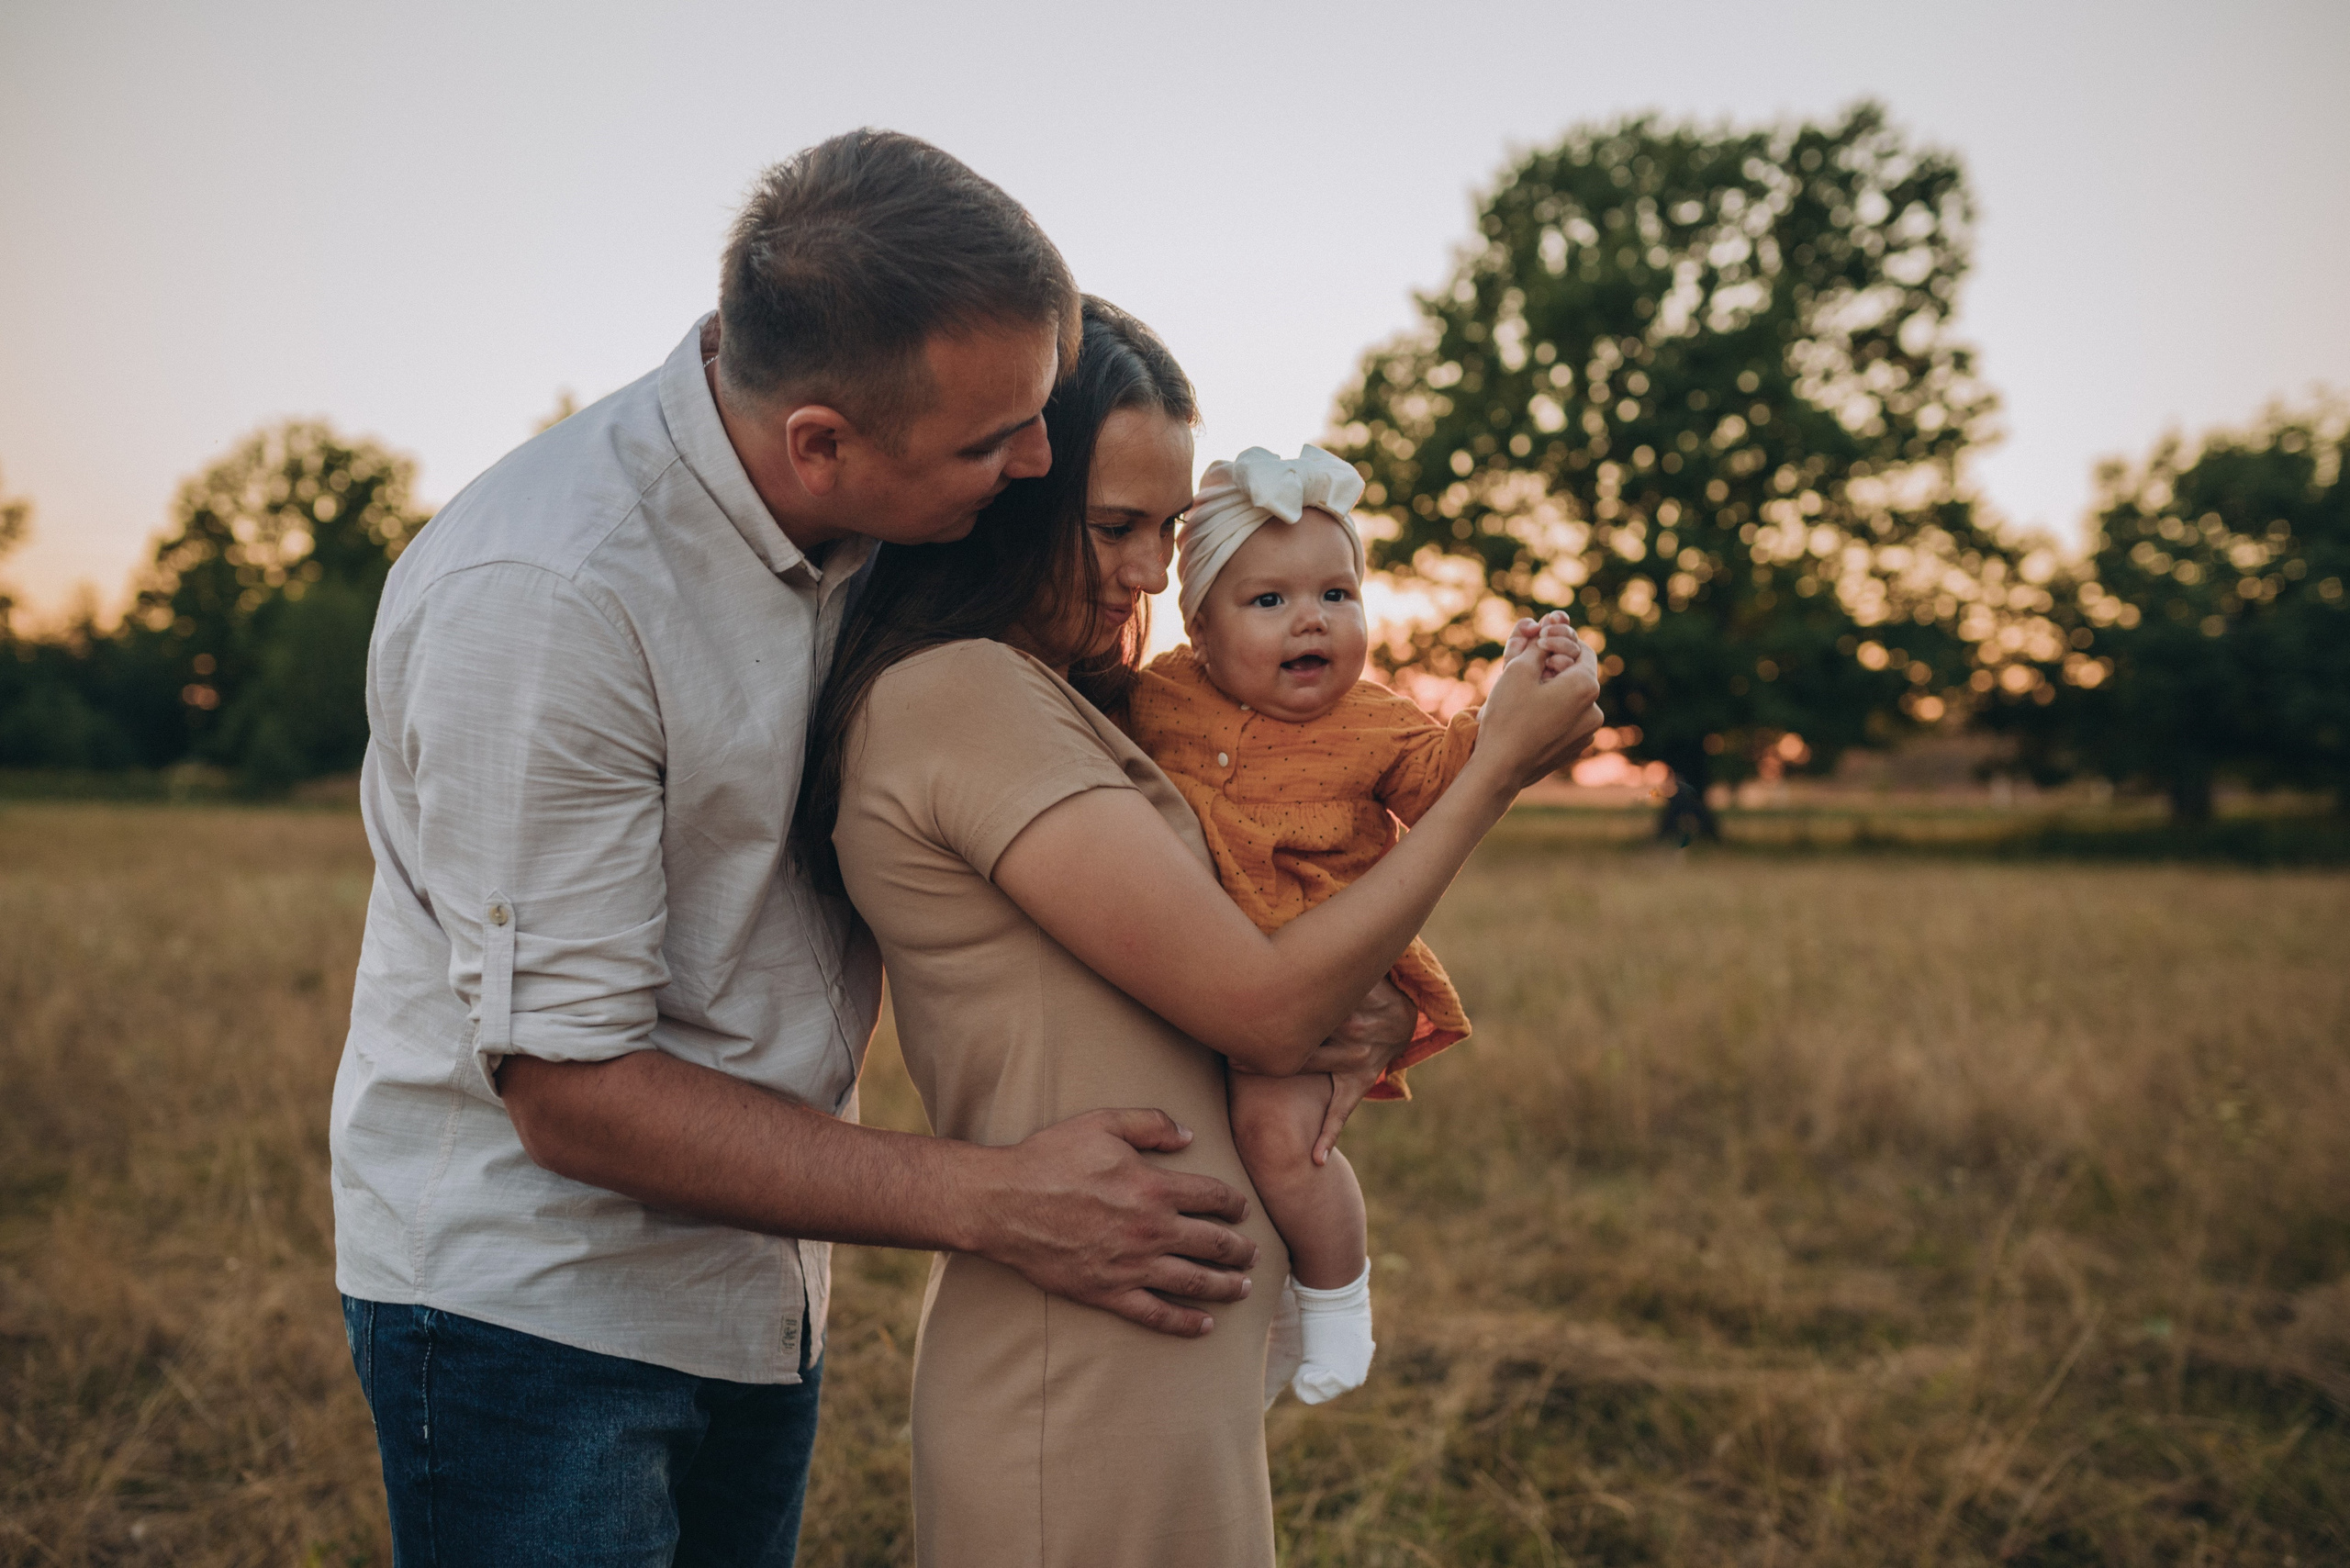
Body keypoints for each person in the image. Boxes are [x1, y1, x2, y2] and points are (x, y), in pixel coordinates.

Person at [329, 131, 1418, 1567]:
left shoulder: (884, 543)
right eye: (999, 444)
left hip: (760, 1278)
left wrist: (1333, 970)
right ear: (823, 439)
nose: (1033, 466)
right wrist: (1000, 1201)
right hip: (531, 1309)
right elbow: (570, 1094)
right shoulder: (549, 596)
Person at [795, 299, 1604, 1566]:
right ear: (1006, 497)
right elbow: (1266, 1003)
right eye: (1112, 527)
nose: (1148, 573)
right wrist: (1494, 773)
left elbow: (1262, 940)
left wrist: (1372, 1000)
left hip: (1162, 1351)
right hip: (1079, 1374)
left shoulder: (1071, 702)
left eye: (1167, 532)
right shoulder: (961, 693)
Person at [1120, 442, 1583, 1406]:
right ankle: (1285, 1300)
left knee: (1282, 1138)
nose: (1312, 621)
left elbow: (1448, 773)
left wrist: (1513, 698)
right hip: (1203, 965)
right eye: (1269, 601)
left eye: (1338, 595)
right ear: (1198, 624)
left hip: (1320, 969)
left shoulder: (1376, 724)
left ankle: (1336, 1300)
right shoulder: (1155, 695)